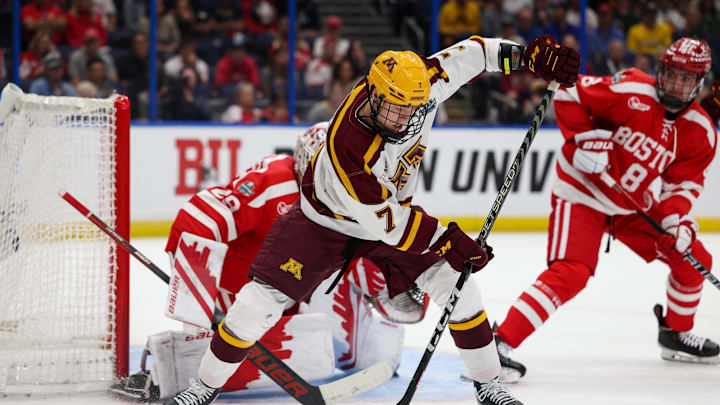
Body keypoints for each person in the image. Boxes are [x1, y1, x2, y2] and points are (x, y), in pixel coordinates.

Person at [163, 33, 580, 405]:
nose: (403, 119)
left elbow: (475, 54)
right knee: (256, 304)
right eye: (394, 110)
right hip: (325, 222)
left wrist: (528, 56)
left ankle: (489, 385)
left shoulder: (422, 85)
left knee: (459, 286)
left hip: (388, 216)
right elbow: (388, 223)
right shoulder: (349, 143)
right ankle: (203, 388)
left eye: (411, 111)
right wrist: (447, 239)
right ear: (374, 95)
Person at [111, 123, 426, 401]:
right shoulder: (277, 181)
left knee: (353, 342)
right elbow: (198, 218)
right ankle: (177, 365)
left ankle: (369, 350)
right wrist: (201, 309)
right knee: (233, 356)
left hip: (286, 304)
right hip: (240, 301)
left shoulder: (345, 206)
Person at [494, 37, 719, 384]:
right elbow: (569, 92)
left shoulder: (701, 131)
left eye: (686, 79)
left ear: (700, 83)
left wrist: (676, 225)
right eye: (672, 74)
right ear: (661, 70)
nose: (676, 84)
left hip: (632, 207)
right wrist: (585, 138)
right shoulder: (631, 88)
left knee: (695, 258)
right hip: (583, 193)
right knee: (572, 272)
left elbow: (682, 186)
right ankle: (498, 343)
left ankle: (675, 334)